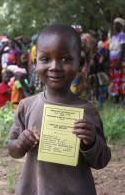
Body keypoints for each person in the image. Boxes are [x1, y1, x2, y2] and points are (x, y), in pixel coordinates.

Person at [8, 24, 111, 195]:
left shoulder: (87, 111)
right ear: (35, 63)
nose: (55, 66)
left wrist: (91, 141)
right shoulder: (27, 106)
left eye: (66, 59)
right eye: (46, 59)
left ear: (80, 63)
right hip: (36, 189)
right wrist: (20, 143)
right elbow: (12, 150)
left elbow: (101, 160)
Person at [109, 17, 125, 103]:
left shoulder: (122, 35)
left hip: (119, 61)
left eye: (117, 24)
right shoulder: (113, 37)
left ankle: (121, 100)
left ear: (121, 26)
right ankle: (116, 100)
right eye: (114, 24)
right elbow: (111, 50)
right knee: (114, 80)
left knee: (120, 80)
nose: (115, 26)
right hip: (113, 62)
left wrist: (119, 62)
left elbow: (123, 49)